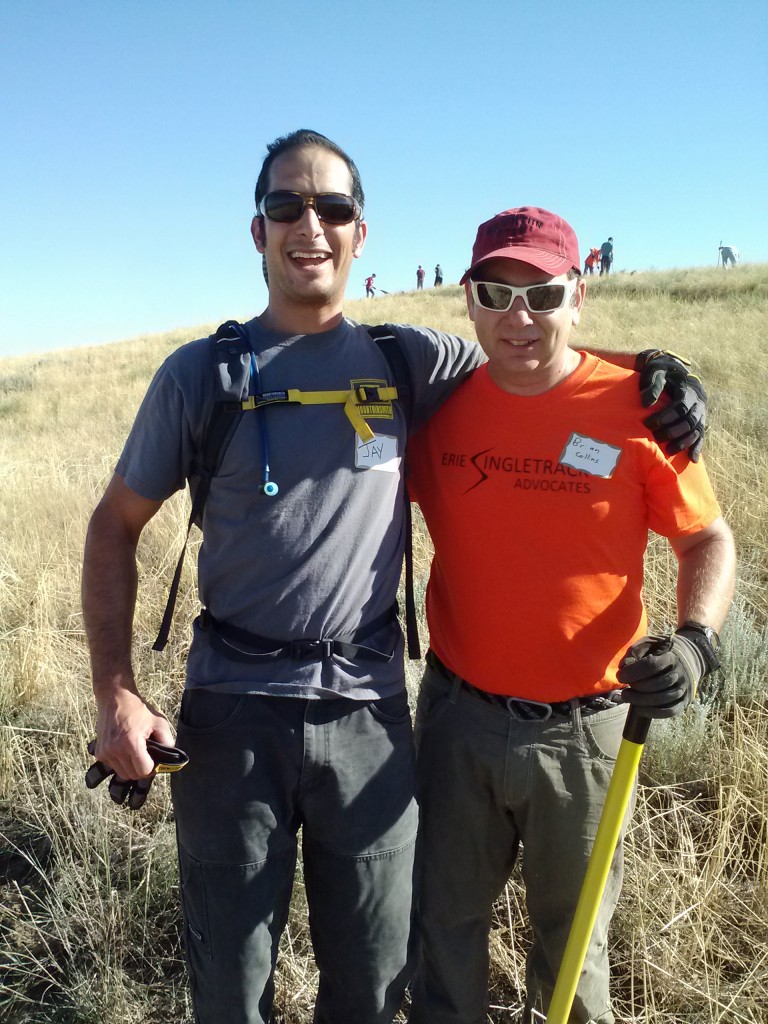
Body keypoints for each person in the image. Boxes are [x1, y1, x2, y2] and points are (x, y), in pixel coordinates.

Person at [82, 128, 704, 1024]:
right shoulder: (200, 376)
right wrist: (117, 694)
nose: (310, 225)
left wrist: (654, 372)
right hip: (230, 716)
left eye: (331, 207)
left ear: (359, 233)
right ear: (255, 231)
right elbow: (113, 530)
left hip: (369, 717)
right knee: (227, 991)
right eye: (285, 206)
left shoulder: (407, 361)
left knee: (375, 988)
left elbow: (535, 355)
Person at [406, 207, 736, 1024]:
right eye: (497, 293)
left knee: (573, 963)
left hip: (589, 736)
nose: (521, 318)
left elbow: (707, 538)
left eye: (543, 296)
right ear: (469, 301)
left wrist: (696, 644)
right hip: (456, 721)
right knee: (439, 938)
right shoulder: (435, 411)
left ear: (576, 294)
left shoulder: (641, 408)